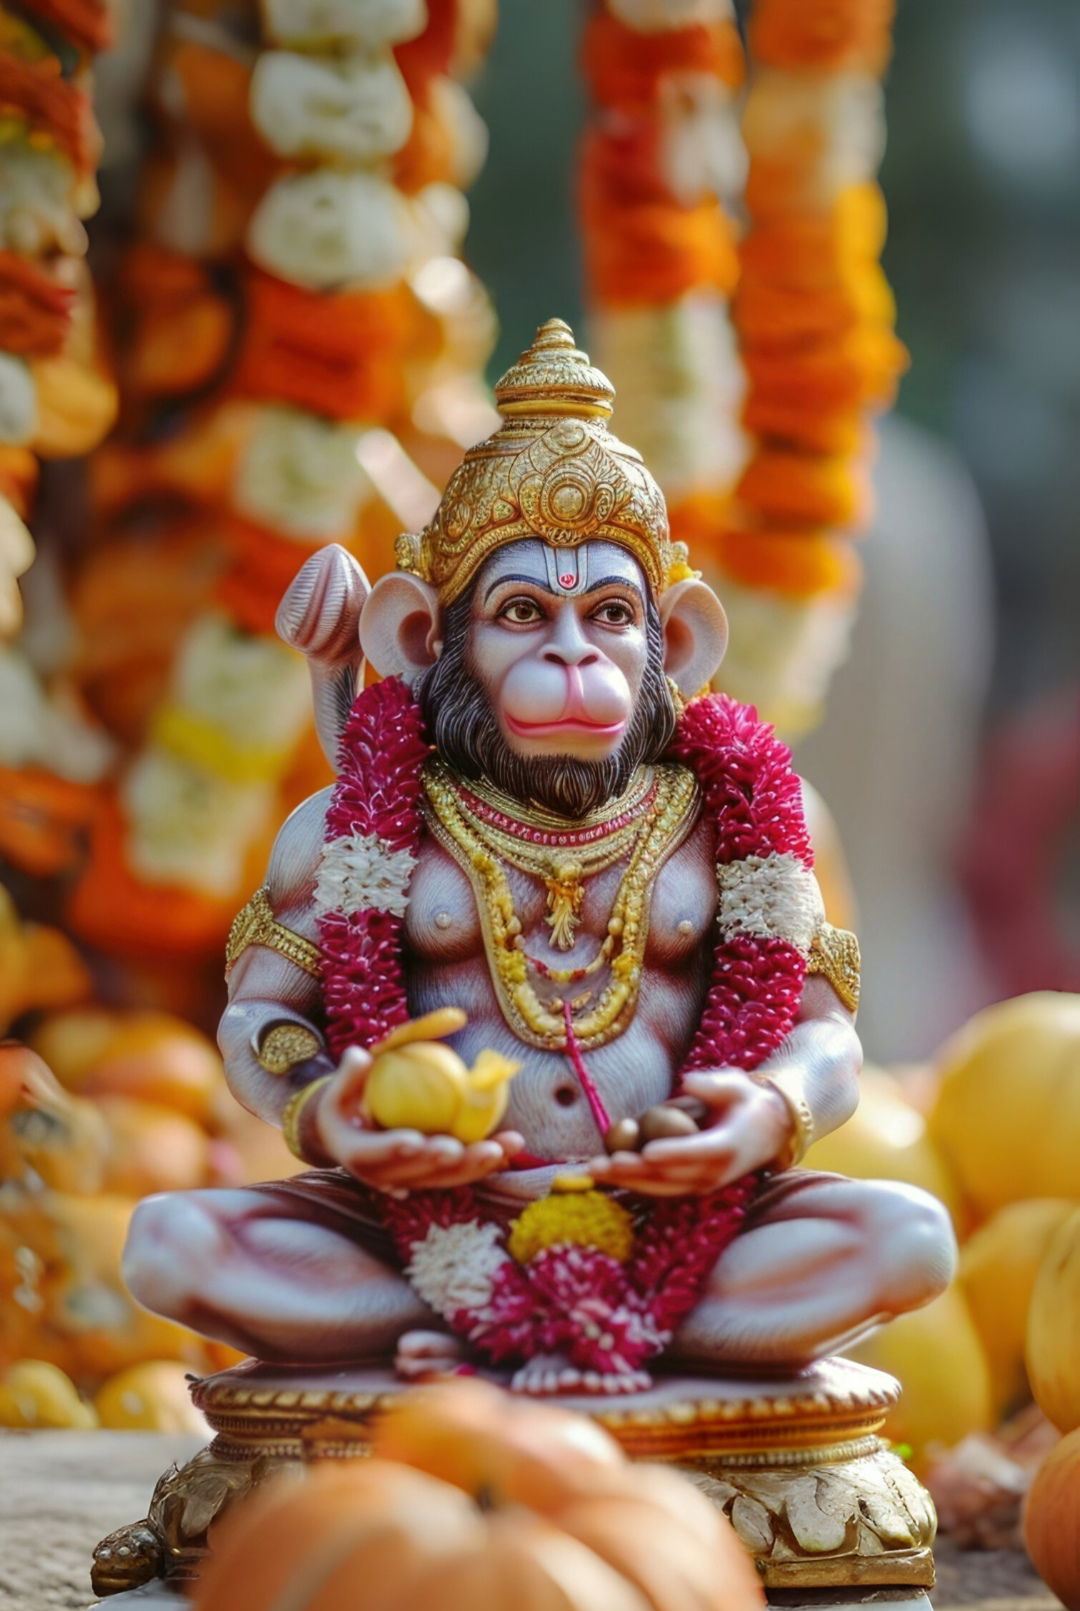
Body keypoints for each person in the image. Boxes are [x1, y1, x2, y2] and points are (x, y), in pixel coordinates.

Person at [124, 321, 955, 1395]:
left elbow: (824, 1037)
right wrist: (332, 1110)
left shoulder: (722, 818)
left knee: (909, 1241)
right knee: (169, 1249)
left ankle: (575, 1334)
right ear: (429, 640)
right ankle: (544, 1337)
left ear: (677, 643)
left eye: (609, 615)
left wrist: (769, 1113)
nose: (573, 653)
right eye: (524, 614)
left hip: (676, 1219)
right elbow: (259, 1020)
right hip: (418, 1227)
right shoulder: (358, 820)